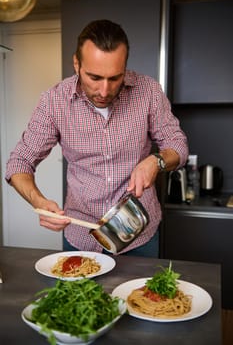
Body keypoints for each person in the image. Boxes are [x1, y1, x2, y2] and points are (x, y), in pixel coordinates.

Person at [5, 19, 188, 257]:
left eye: (114, 78)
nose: (104, 91)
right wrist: (38, 201)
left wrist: (156, 161)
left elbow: (178, 145)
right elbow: (19, 163)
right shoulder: (54, 101)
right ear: (76, 64)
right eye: (94, 77)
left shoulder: (149, 92)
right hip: (80, 237)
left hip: (137, 236)